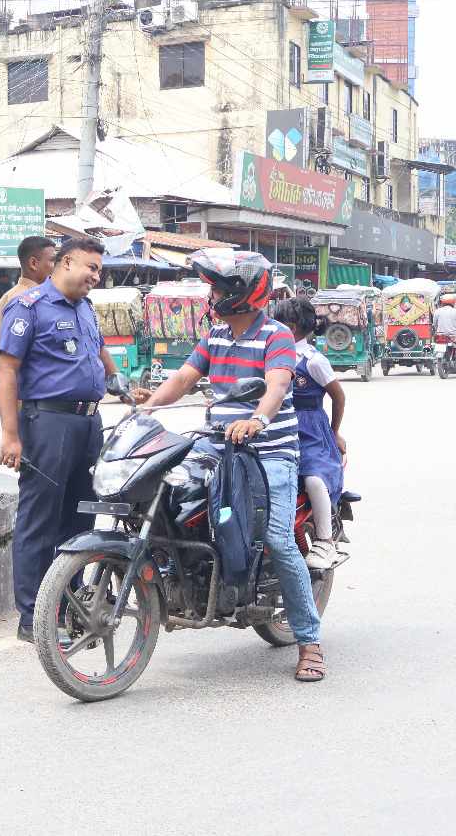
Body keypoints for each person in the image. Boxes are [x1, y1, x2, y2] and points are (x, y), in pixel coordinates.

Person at [131, 250, 326, 683]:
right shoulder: (215, 336)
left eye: (217, 288)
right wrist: (146, 407)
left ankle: (309, 642)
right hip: (216, 445)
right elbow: (183, 379)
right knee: (165, 500)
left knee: (276, 538)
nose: (211, 294)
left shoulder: (276, 336)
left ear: (240, 293)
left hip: (270, 450)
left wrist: (257, 418)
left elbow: (276, 386)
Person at [0, 238, 120, 643]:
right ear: (66, 262)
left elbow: (98, 351)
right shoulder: (28, 306)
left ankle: (66, 608)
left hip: (88, 423)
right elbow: (8, 372)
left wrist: (118, 382)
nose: (95, 276)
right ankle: (32, 617)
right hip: (47, 422)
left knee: (81, 518)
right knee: (40, 520)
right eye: (91, 267)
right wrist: (11, 434)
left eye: (99, 270)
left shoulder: (85, 308)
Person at [272, 298, 347, 570]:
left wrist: (334, 432)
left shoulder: (313, 361)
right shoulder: (271, 355)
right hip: (277, 425)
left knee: (313, 479)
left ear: (290, 327)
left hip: (311, 432)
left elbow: (339, 397)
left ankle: (325, 540)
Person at [0, 236, 56, 338]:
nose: (56, 267)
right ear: (33, 263)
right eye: (52, 261)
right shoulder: (22, 299)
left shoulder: (12, 295)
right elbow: (14, 347)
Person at [433, 295, 456, 364]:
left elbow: (435, 324)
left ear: (442, 303)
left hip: (440, 335)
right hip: (453, 335)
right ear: (453, 303)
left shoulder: (437, 311)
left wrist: (437, 330)